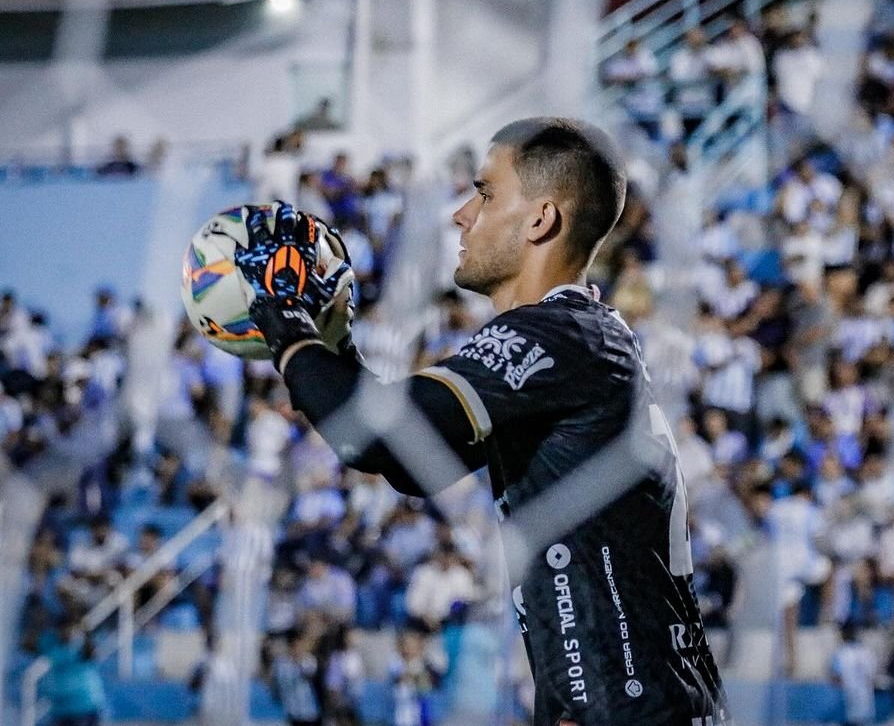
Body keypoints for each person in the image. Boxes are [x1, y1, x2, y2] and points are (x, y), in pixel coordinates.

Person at [233, 118, 731, 725]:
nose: (461, 215)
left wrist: (288, 329)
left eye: (485, 193)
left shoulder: (556, 334)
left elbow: (380, 441)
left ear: (540, 219)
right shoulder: (579, 336)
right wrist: (332, 344)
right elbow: (415, 464)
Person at [830, 623, 876, 726]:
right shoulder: (867, 652)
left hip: (847, 704)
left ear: (842, 635)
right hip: (866, 704)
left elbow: (836, 679)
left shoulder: (840, 653)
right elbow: (872, 678)